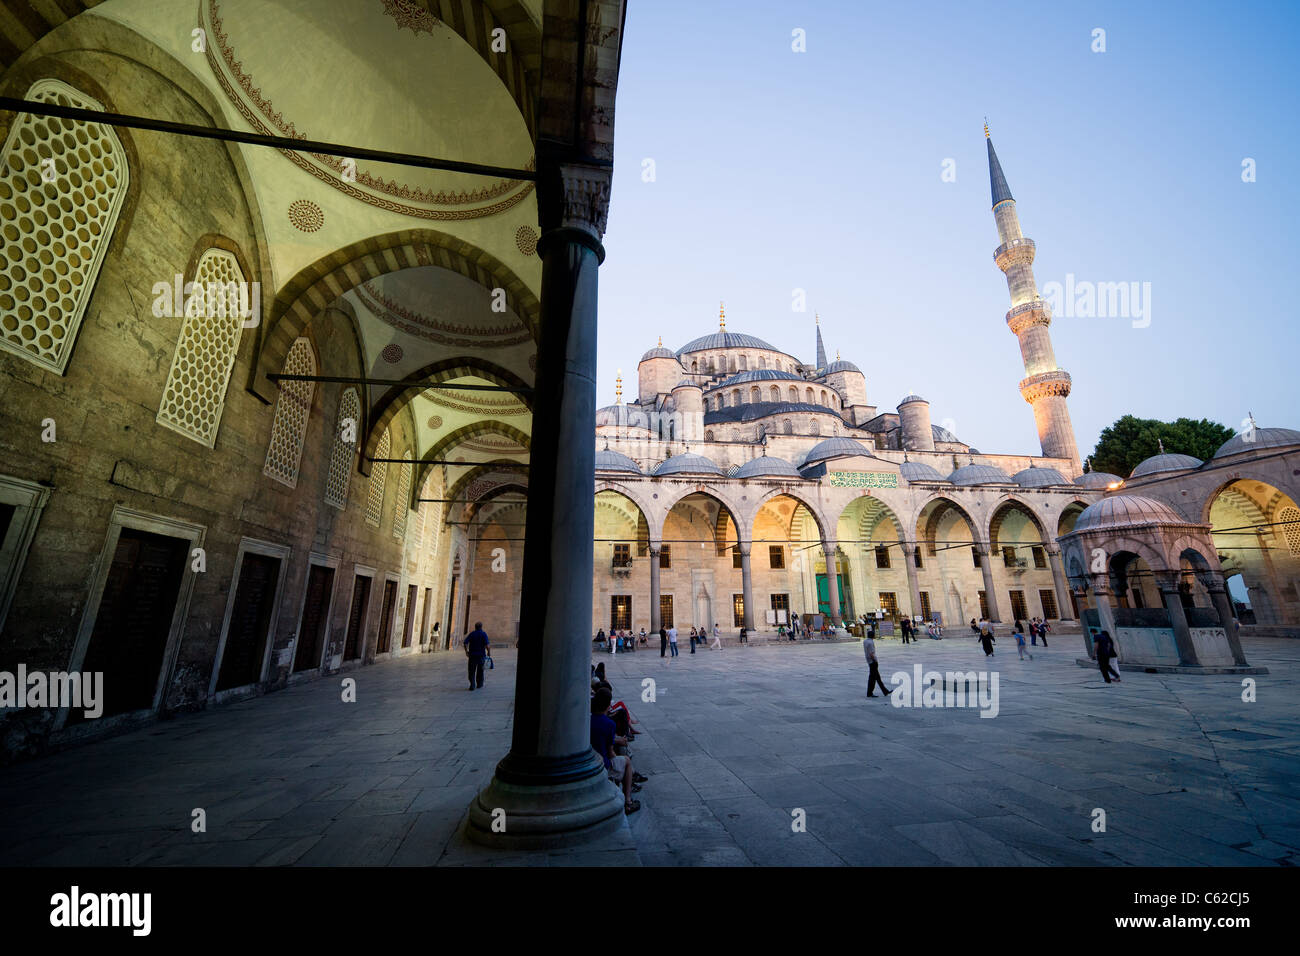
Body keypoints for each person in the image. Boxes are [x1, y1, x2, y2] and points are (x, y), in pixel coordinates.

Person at [591, 687, 639, 815]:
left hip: (592, 761)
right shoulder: (609, 724)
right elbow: (611, 753)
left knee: (621, 749)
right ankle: (628, 802)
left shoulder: (587, 720)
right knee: (626, 761)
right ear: (607, 705)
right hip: (603, 766)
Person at [863, 629, 893, 698]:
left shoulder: (865, 641)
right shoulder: (871, 642)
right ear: (873, 636)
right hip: (872, 661)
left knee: (875, 678)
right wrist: (875, 660)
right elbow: (871, 653)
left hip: (869, 661)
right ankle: (870, 693)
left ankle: (885, 691)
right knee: (873, 678)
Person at [463, 621, 490, 690]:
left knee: (471, 671)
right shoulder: (484, 634)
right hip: (481, 656)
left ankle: (472, 685)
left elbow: (465, 643)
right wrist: (489, 652)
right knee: (480, 671)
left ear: (475, 627)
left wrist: (466, 651)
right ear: (481, 627)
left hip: (472, 655)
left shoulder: (472, 634)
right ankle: (479, 684)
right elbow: (487, 645)